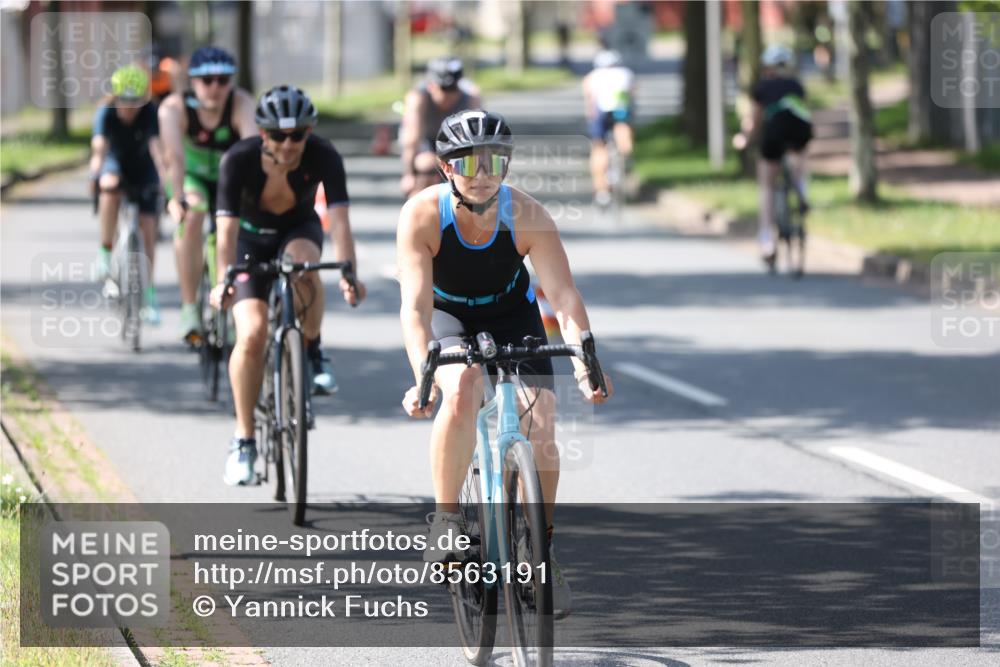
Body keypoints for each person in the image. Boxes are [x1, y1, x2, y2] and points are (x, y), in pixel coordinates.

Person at [396, 110, 614, 619]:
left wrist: (585, 358)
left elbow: (563, 296)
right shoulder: (422, 215)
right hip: (449, 316)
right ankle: (448, 519)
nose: (483, 172)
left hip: (513, 313)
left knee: (542, 426)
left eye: (494, 161)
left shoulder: (529, 214)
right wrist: (421, 376)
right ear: (446, 168)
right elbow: (415, 308)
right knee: (461, 387)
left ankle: (539, 549)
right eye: (468, 162)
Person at [210, 85, 367, 486]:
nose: (289, 144)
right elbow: (224, 234)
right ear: (263, 135)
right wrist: (221, 281)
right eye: (279, 136)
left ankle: (312, 349)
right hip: (248, 240)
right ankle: (243, 439)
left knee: (304, 267)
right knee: (252, 334)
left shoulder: (324, 155)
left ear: (309, 132)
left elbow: (340, 220)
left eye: (298, 134)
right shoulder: (238, 159)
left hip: (297, 230)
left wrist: (349, 272)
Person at [158, 46, 257, 344]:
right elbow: (174, 157)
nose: (215, 87)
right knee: (194, 215)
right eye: (207, 79)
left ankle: (225, 304)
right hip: (192, 177)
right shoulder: (173, 109)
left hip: (230, 178)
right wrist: (176, 199)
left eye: (223, 80)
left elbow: (253, 150)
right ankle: (190, 307)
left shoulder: (241, 102)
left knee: (235, 228)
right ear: (192, 82)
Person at [89, 65, 167, 324]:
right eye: (125, 100)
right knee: (109, 186)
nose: (130, 107)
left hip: (144, 169)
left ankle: (149, 293)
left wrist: (165, 183)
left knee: (148, 229)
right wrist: (95, 176)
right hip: (116, 165)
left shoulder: (150, 112)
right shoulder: (106, 113)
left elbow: (157, 149)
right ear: (115, 96)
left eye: (136, 101)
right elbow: (99, 147)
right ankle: (105, 250)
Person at [739, 44, 813, 264]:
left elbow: (754, 121)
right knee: (798, 159)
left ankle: (767, 240)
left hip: (773, 134)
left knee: (767, 185)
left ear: (767, 67)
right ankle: (800, 190)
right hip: (799, 132)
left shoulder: (762, 88)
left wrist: (745, 138)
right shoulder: (796, 85)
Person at [398, 57, 481, 198]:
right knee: (426, 166)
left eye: (453, 89)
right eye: (444, 88)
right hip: (424, 143)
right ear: (431, 86)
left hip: (453, 145)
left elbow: (475, 142)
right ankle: (417, 212)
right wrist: (408, 174)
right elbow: (412, 138)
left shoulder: (471, 97)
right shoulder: (418, 98)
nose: (449, 95)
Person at [583, 49, 636, 207]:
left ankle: (601, 190)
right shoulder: (626, 73)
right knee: (623, 127)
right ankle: (626, 156)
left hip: (600, 112)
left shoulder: (592, 76)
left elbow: (589, 100)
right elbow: (632, 95)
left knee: (598, 147)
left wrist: (590, 117)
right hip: (621, 109)